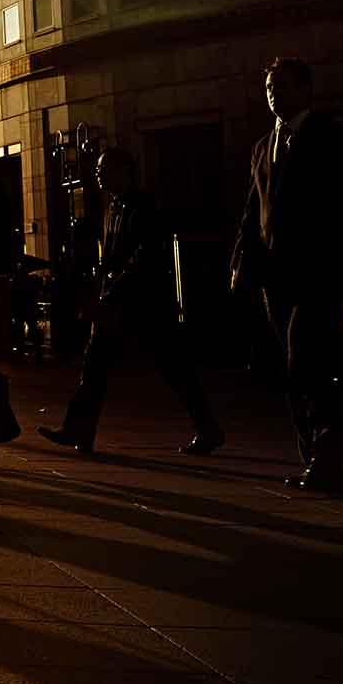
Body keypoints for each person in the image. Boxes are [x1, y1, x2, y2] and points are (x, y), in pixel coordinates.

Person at [232, 57, 343, 494]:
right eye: (270, 87)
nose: (274, 94)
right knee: (293, 369)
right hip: (277, 277)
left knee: (305, 359)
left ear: (306, 90)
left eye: (283, 86)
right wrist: (242, 262)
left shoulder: (330, 138)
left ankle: (327, 455)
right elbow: (254, 213)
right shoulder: (261, 147)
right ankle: (314, 458)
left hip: (318, 273)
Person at [38, 147, 224, 457]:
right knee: (94, 365)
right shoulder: (112, 207)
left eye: (104, 168)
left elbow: (144, 258)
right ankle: (79, 429)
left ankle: (207, 427)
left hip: (144, 303)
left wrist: (111, 295)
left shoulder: (143, 206)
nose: (98, 174)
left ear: (124, 171)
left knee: (173, 368)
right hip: (116, 302)